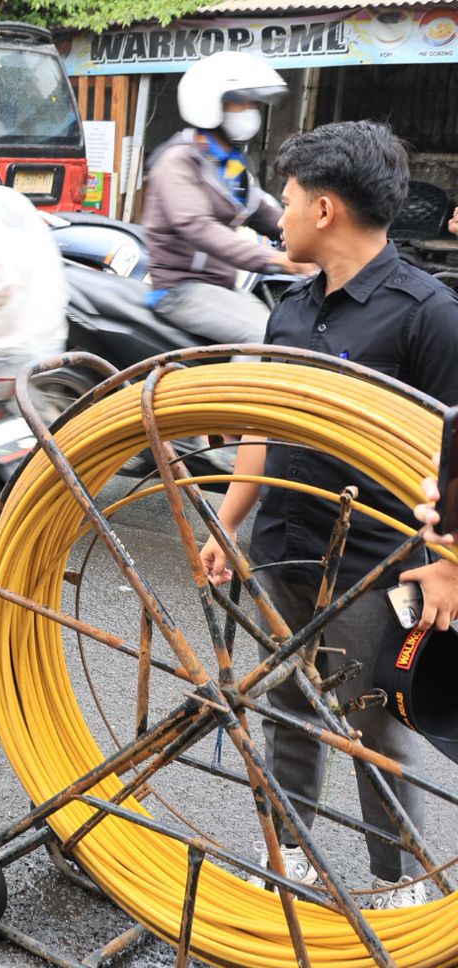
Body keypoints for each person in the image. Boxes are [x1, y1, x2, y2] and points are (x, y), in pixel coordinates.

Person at [200, 121, 458, 908]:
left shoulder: (428, 315)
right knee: (287, 704)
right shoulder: (290, 307)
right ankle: (292, 854)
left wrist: (449, 563)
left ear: (323, 209)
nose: (275, 215)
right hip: (285, 540)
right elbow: (262, 422)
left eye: (282, 200)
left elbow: (457, 444)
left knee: (374, 723)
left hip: (379, 561)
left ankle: (400, 881)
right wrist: (231, 519)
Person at [141, 51, 312, 344]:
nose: (250, 111)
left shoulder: (228, 162)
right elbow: (198, 227)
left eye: (252, 103)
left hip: (219, 287)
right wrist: (280, 261)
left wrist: (316, 240)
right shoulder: (178, 161)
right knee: (265, 336)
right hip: (180, 289)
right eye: (240, 102)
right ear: (209, 104)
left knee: (287, 325)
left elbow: (263, 213)